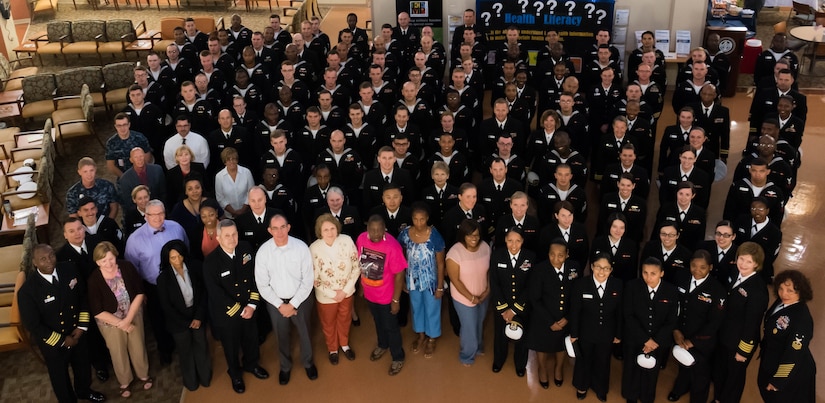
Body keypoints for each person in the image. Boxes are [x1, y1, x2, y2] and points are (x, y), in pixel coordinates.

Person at [18, 244, 106, 403]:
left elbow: (83, 298)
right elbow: (33, 325)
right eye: (43, 259)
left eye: (51, 255)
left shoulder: (69, 269)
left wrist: (81, 327)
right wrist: (62, 340)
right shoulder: (27, 291)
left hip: (76, 332)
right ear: (34, 263)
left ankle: (84, 391)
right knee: (59, 376)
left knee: (83, 366)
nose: (49, 261)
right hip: (53, 342)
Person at [203, 219, 269, 394]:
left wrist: (252, 305)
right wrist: (240, 310)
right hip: (228, 314)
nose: (232, 239)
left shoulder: (246, 249)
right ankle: (235, 374)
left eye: (234, 234)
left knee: (252, 339)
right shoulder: (211, 263)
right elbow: (216, 294)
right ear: (218, 238)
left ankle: (252, 364)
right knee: (231, 346)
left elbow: (256, 277)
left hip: (249, 307)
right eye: (227, 236)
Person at [255, 214, 318, 385]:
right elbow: (262, 285)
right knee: (280, 334)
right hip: (276, 303)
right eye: (275, 228)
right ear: (269, 230)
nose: (279, 231)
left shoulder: (301, 247)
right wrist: (280, 305)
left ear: (288, 227)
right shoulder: (263, 252)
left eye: (283, 227)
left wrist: (293, 304)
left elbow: (307, 280)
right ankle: (285, 366)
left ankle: (308, 362)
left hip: (301, 299)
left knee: (305, 332)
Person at [124, 200, 189, 365]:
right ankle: (165, 349)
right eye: (154, 214)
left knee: (181, 311)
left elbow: (186, 249)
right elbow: (132, 269)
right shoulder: (135, 240)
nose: (158, 217)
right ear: (146, 216)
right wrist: (141, 292)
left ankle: (185, 345)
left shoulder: (176, 227)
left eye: (161, 213)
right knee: (158, 319)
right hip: (153, 286)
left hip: (178, 279)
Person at [87, 242, 151, 399]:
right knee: (118, 352)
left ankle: (143, 374)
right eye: (103, 261)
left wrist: (128, 319)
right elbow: (97, 311)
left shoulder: (126, 267)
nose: (108, 264)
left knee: (138, 345)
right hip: (109, 323)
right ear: (97, 262)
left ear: (115, 256)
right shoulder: (94, 279)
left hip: (133, 313)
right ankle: (125, 381)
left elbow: (139, 293)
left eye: (111, 259)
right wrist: (121, 324)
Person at [712, 242, 769, 403]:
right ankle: (718, 399)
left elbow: (752, 325)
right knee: (719, 372)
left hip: (738, 343)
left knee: (734, 379)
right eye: (741, 259)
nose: (743, 264)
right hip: (724, 335)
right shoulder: (734, 272)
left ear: (756, 264)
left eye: (749, 261)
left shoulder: (758, 291)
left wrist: (743, 351)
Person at [667, 250, 726, 403]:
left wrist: (693, 341)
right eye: (694, 266)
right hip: (681, 334)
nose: (697, 270)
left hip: (702, 341)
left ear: (710, 268)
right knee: (683, 365)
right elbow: (674, 305)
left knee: (700, 375)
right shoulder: (681, 277)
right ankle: (680, 388)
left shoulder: (717, 290)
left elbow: (715, 322)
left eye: (703, 267)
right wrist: (675, 329)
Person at [156, 240, 212, 391]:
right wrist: (186, 322)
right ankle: (191, 381)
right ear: (167, 259)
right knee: (185, 351)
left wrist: (198, 317)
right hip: (178, 322)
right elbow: (167, 306)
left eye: (180, 256)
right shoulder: (163, 279)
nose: (178, 260)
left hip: (197, 315)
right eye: (173, 258)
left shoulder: (195, 267)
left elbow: (204, 293)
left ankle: (205, 377)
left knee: (201, 347)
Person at [621, 257, 678, 403]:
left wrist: (655, 341)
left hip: (658, 341)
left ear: (662, 273)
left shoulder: (671, 291)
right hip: (635, 337)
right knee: (631, 369)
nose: (648, 277)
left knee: (652, 371)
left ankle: (647, 396)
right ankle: (631, 395)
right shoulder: (632, 286)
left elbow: (671, 320)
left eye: (653, 273)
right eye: (645, 273)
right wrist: (645, 339)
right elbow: (628, 315)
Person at [356, 215, 408, 376]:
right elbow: (361, 263)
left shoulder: (392, 246)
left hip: (387, 296)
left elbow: (399, 275)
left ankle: (398, 356)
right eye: (372, 230)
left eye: (379, 230)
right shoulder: (361, 239)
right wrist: (362, 286)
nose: (376, 233)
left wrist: (395, 299)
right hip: (370, 293)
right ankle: (382, 345)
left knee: (391, 327)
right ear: (367, 229)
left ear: (384, 228)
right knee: (377, 322)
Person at [527, 239, 579, 389]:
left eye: (560, 255)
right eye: (552, 255)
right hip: (543, 317)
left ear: (567, 255)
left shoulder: (574, 268)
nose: (556, 259)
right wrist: (550, 321)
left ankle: (558, 368)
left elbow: (576, 295)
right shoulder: (539, 269)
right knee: (542, 345)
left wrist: (568, 317)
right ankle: (542, 369)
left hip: (565, 317)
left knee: (561, 345)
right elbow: (535, 299)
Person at [758, 270, 816, 403]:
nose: (784, 294)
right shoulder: (782, 302)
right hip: (772, 359)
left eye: (790, 290)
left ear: (801, 291)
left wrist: (778, 380)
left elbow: (793, 353)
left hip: (792, 374)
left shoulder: (801, 318)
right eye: (781, 288)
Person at [309, 214, 360, 365]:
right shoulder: (314, 248)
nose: (330, 232)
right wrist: (333, 294)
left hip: (347, 291)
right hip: (326, 296)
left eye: (332, 228)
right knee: (328, 322)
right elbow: (313, 278)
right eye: (326, 230)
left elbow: (356, 267)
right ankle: (333, 349)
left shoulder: (346, 240)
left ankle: (344, 344)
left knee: (345, 319)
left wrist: (344, 291)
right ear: (320, 231)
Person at [397, 203, 446, 359]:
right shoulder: (405, 234)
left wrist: (439, 286)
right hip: (412, 280)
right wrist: (403, 280)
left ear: (427, 219)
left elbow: (440, 263)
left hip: (431, 282)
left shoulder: (435, 236)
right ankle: (421, 335)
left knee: (432, 308)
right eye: (415, 219)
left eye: (422, 219)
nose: (418, 222)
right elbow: (401, 257)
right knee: (416, 307)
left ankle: (432, 338)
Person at [489, 227, 535, 377]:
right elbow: (494, 283)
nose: (513, 245)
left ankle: (520, 364)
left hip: (522, 306)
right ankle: (499, 360)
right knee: (500, 335)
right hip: (502, 306)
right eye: (510, 241)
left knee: (523, 337)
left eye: (518, 241)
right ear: (505, 240)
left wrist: (514, 310)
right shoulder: (497, 255)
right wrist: (504, 309)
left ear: (523, 241)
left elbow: (530, 286)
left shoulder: (531, 257)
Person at [445, 219, 491, 366]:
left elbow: (489, 271)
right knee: (469, 326)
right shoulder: (454, 253)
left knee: (479, 322)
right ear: (463, 235)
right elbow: (455, 280)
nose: (474, 239)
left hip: (483, 295)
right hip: (463, 298)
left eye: (477, 235)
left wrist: (487, 289)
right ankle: (467, 355)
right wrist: (471, 297)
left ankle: (478, 346)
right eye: (470, 235)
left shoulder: (485, 247)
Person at [117, 147, 166, 212]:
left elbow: (164, 193)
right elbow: (128, 203)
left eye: (141, 156)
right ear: (131, 160)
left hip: (158, 210)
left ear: (145, 157)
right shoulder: (125, 179)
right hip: (139, 214)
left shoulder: (157, 170)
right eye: (136, 157)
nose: (139, 159)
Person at [215, 147, 255, 219]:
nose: (231, 162)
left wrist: (242, 211)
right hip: (229, 215)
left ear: (237, 159)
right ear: (224, 161)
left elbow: (251, 192)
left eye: (233, 159)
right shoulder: (219, 176)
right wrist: (233, 212)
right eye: (228, 159)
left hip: (247, 213)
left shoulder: (246, 172)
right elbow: (220, 198)